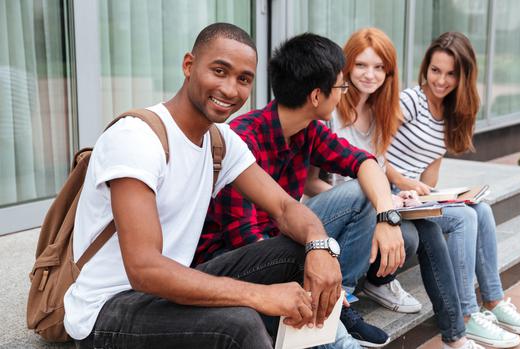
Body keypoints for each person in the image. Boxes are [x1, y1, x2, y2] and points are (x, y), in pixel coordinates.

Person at [63, 23, 344, 349]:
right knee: (239, 325)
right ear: (188, 65)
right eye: (219, 71)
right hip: (107, 311)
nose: (230, 89)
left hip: (165, 295)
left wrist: (320, 245)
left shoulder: (221, 142)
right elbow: (144, 269)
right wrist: (261, 295)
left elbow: (285, 207)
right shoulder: (137, 138)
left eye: (243, 79)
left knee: (299, 252)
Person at [196, 32, 409, 348]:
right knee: (304, 253)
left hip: (283, 237)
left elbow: (364, 162)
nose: (342, 95)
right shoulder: (243, 140)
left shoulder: (309, 131)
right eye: (339, 87)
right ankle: (331, 316)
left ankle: (341, 295)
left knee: (360, 193)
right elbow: (246, 240)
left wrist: (386, 216)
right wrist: (310, 269)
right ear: (315, 96)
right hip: (231, 260)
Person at [305, 27, 485, 349]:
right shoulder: (330, 109)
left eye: (379, 67)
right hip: (334, 213)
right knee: (409, 231)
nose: (370, 75)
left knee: (431, 228)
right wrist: (377, 202)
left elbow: (379, 164)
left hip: (373, 203)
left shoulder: (379, 112)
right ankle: (356, 292)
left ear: (389, 71)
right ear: (346, 66)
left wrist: (398, 189)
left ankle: (455, 335)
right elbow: (309, 182)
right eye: (361, 65)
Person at [386, 31, 520, 348]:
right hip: (387, 193)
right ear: (425, 68)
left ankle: (494, 302)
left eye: (450, 73)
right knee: (464, 218)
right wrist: (402, 181)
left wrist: (441, 195)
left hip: (412, 196)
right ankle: (467, 315)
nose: (440, 81)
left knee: (479, 209)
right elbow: (373, 152)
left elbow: (429, 177)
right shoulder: (410, 101)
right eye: (435, 70)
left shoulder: (451, 114)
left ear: (463, 75)